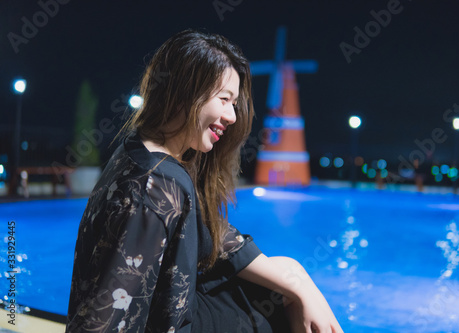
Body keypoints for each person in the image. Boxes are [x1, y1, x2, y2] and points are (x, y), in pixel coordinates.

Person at [66, 29, 343, 333]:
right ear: (186, 90)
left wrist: (300, 282)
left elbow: (211, 234)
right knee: (281, 304)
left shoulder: (140, 150)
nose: (233, 116)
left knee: (290, 273)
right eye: (225, 99)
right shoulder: (157, 185)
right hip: (176, 322)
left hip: (181, 304)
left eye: (234, 103)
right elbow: (105, 315)